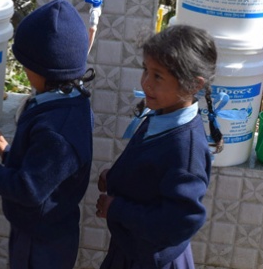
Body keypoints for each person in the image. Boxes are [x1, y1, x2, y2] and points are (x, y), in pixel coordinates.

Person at [0, 0, 95, 269]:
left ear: (43, 70)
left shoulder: (58, 131)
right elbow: (44, 172)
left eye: (26, 67)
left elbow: (28, 189)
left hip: (43, 241)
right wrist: (8, 152)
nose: (25, 72)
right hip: (41, 228)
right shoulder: (68, 101)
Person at [95, 24, 224, 269]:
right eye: (146, 70)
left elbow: (181, 221)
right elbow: (149, 176)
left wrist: (118, 209)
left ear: (193, 85)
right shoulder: (161, 116)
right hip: (132, 250)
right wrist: (115, 179)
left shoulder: (185, 151)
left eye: (158, 76)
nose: (146, 83)